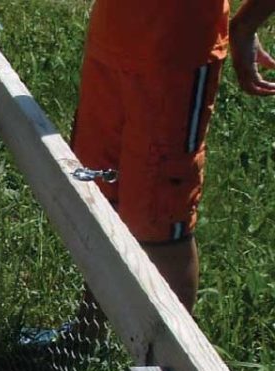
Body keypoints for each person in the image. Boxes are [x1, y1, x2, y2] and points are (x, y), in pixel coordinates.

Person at [72, 0, 275, 312]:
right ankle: (85, 339)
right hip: (110, 40)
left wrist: (245, 26)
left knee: (159, 220)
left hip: (173, 59)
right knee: (100, 200)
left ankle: (170, 359)